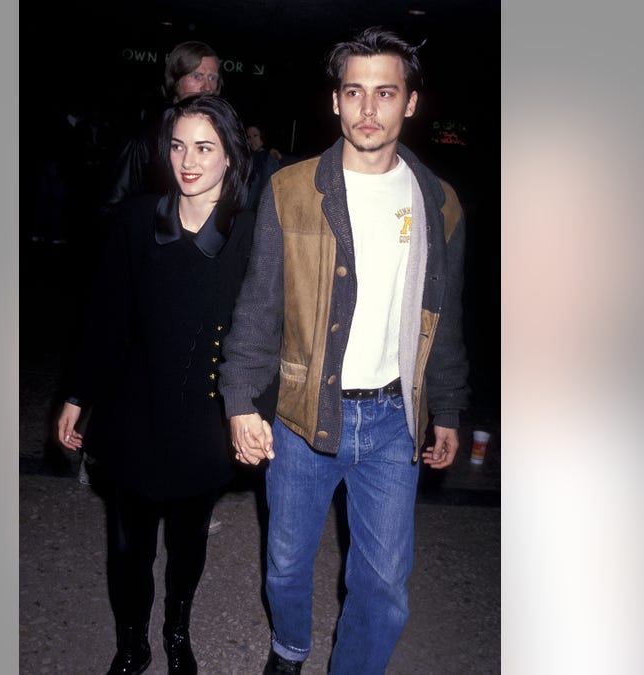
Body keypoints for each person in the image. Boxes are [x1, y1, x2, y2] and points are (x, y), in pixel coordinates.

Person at [219, 27, 471, 675]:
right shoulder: (292, 189)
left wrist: (446, 404)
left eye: (385, 93)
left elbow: (440, 317)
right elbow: (258, 304)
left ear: (409, 102)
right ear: (335, 99)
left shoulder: (439, 204)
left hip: (392, 420)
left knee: (384, 582)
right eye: (354, 91)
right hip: (303, 414)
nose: (367, 109)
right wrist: (241, 400)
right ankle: (290, 648)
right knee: (285, 562)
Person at [57, 94, 254, 675]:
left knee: (187, 545)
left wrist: (253, 411)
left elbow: (264, 332)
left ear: (229, 157)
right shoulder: (139, 219)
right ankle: (131, 644)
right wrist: (77, 393)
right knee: (127, 546)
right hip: (133, 411)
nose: (187, 161)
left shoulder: (250, 233)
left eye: (204, 148)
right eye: (177, 146)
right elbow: (106, 315)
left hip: (203, 417)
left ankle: (175, 633)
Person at [101, 40, 224, 217]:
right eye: (197, 76)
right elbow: (115, 202)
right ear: (176, 80)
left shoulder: (221, 131)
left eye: (212, 78)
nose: (207, 88)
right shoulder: (148, 134)